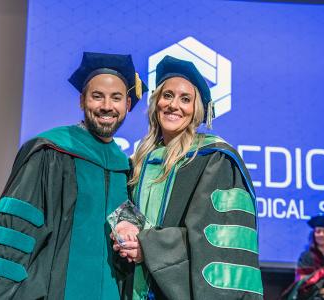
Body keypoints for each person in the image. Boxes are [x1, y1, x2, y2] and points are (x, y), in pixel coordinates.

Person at [0, 52, 147, 299]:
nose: (106, 106)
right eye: (97, 96)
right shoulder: (50, 153)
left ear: (127, 104)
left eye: (116, 98)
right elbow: (14, 233)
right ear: (82, 101)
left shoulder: (124, 168)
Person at [112, 55, 263, 299]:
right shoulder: (139, 160)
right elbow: (125, 207)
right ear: (157, 102)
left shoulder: (213, 160)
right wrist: (124, 226)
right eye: (167, 95)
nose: (174, 105)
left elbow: (213, 239)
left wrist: (149, 247)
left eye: (185, 99)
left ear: (196, 110)